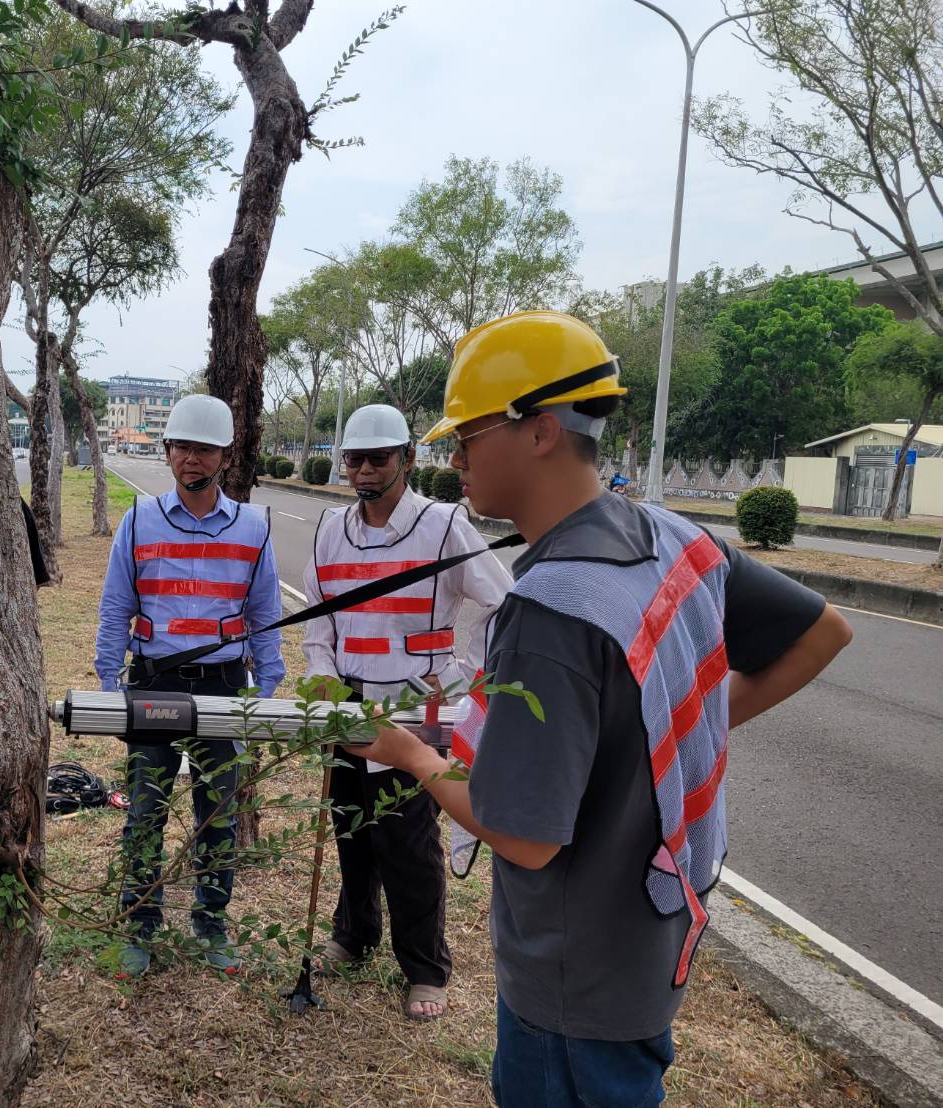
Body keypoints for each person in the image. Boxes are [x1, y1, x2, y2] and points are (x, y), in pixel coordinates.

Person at [355, 310, 853, 1106]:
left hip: (573, 977)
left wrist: (411, 756)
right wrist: (675, 731)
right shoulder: (676, 537)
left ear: (540, 430)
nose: (455, 459)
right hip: (650, 934)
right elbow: (820, 633)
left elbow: (523, 838)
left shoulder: (551, 611)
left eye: (469, 434)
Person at [302, 403, 512, 1022]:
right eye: (355, 459)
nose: (365, 471)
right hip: (346, 704)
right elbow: (317, 619)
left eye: (378, 458)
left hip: (415, 708)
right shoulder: (327, 529)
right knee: (351, 828)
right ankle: (354, 932)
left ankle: (424, 965)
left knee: (409, 839)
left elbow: (503, 602)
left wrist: (461, 675)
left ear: (407, 460)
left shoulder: (444, 525)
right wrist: (319, 675)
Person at [94, 393, 285, 977]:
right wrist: (109, 684)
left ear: (223, 456)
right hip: (154, 682)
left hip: (224, 687)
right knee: (146, 809)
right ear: (169, 452)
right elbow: (115, 607)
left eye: (203, 449)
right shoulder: (138, 520)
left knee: (217, 811)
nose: (190, 459)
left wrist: (265, 690)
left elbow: (265, 614)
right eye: (181, 448)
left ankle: (211, 925)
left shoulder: (253, 528)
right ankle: (142, 923)